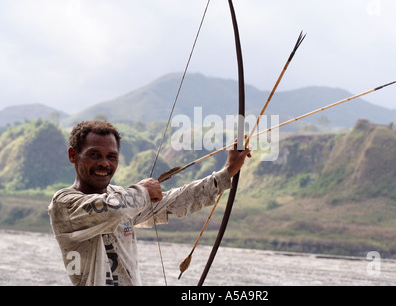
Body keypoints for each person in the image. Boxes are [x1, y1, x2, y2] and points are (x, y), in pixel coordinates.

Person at [48, 120, 251, 286]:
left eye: (112, 157)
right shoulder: (64, 204)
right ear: (73, 155)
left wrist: (227, 171)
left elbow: (175, 200)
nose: (104, 163)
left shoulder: (122, 197)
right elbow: (113, 210)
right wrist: (144, 191)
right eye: (94, 155)